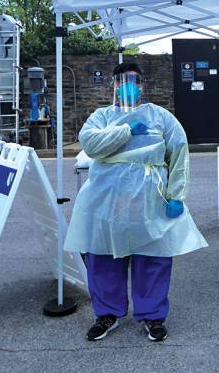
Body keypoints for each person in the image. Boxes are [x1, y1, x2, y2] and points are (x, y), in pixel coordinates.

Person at [65, 62, 207, 342]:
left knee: (152, 257)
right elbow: (92, 146)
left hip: (149, 200)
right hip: (106, 201)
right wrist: (126, 131)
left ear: (143, 85)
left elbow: (179, 155)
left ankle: (152, 315)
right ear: (113, 87)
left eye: (133, 80)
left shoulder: (162, 117)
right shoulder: (102, 116)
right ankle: (107, 313)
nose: (128, 86)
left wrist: (176, 195)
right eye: (121, 81)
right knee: (103, 256)